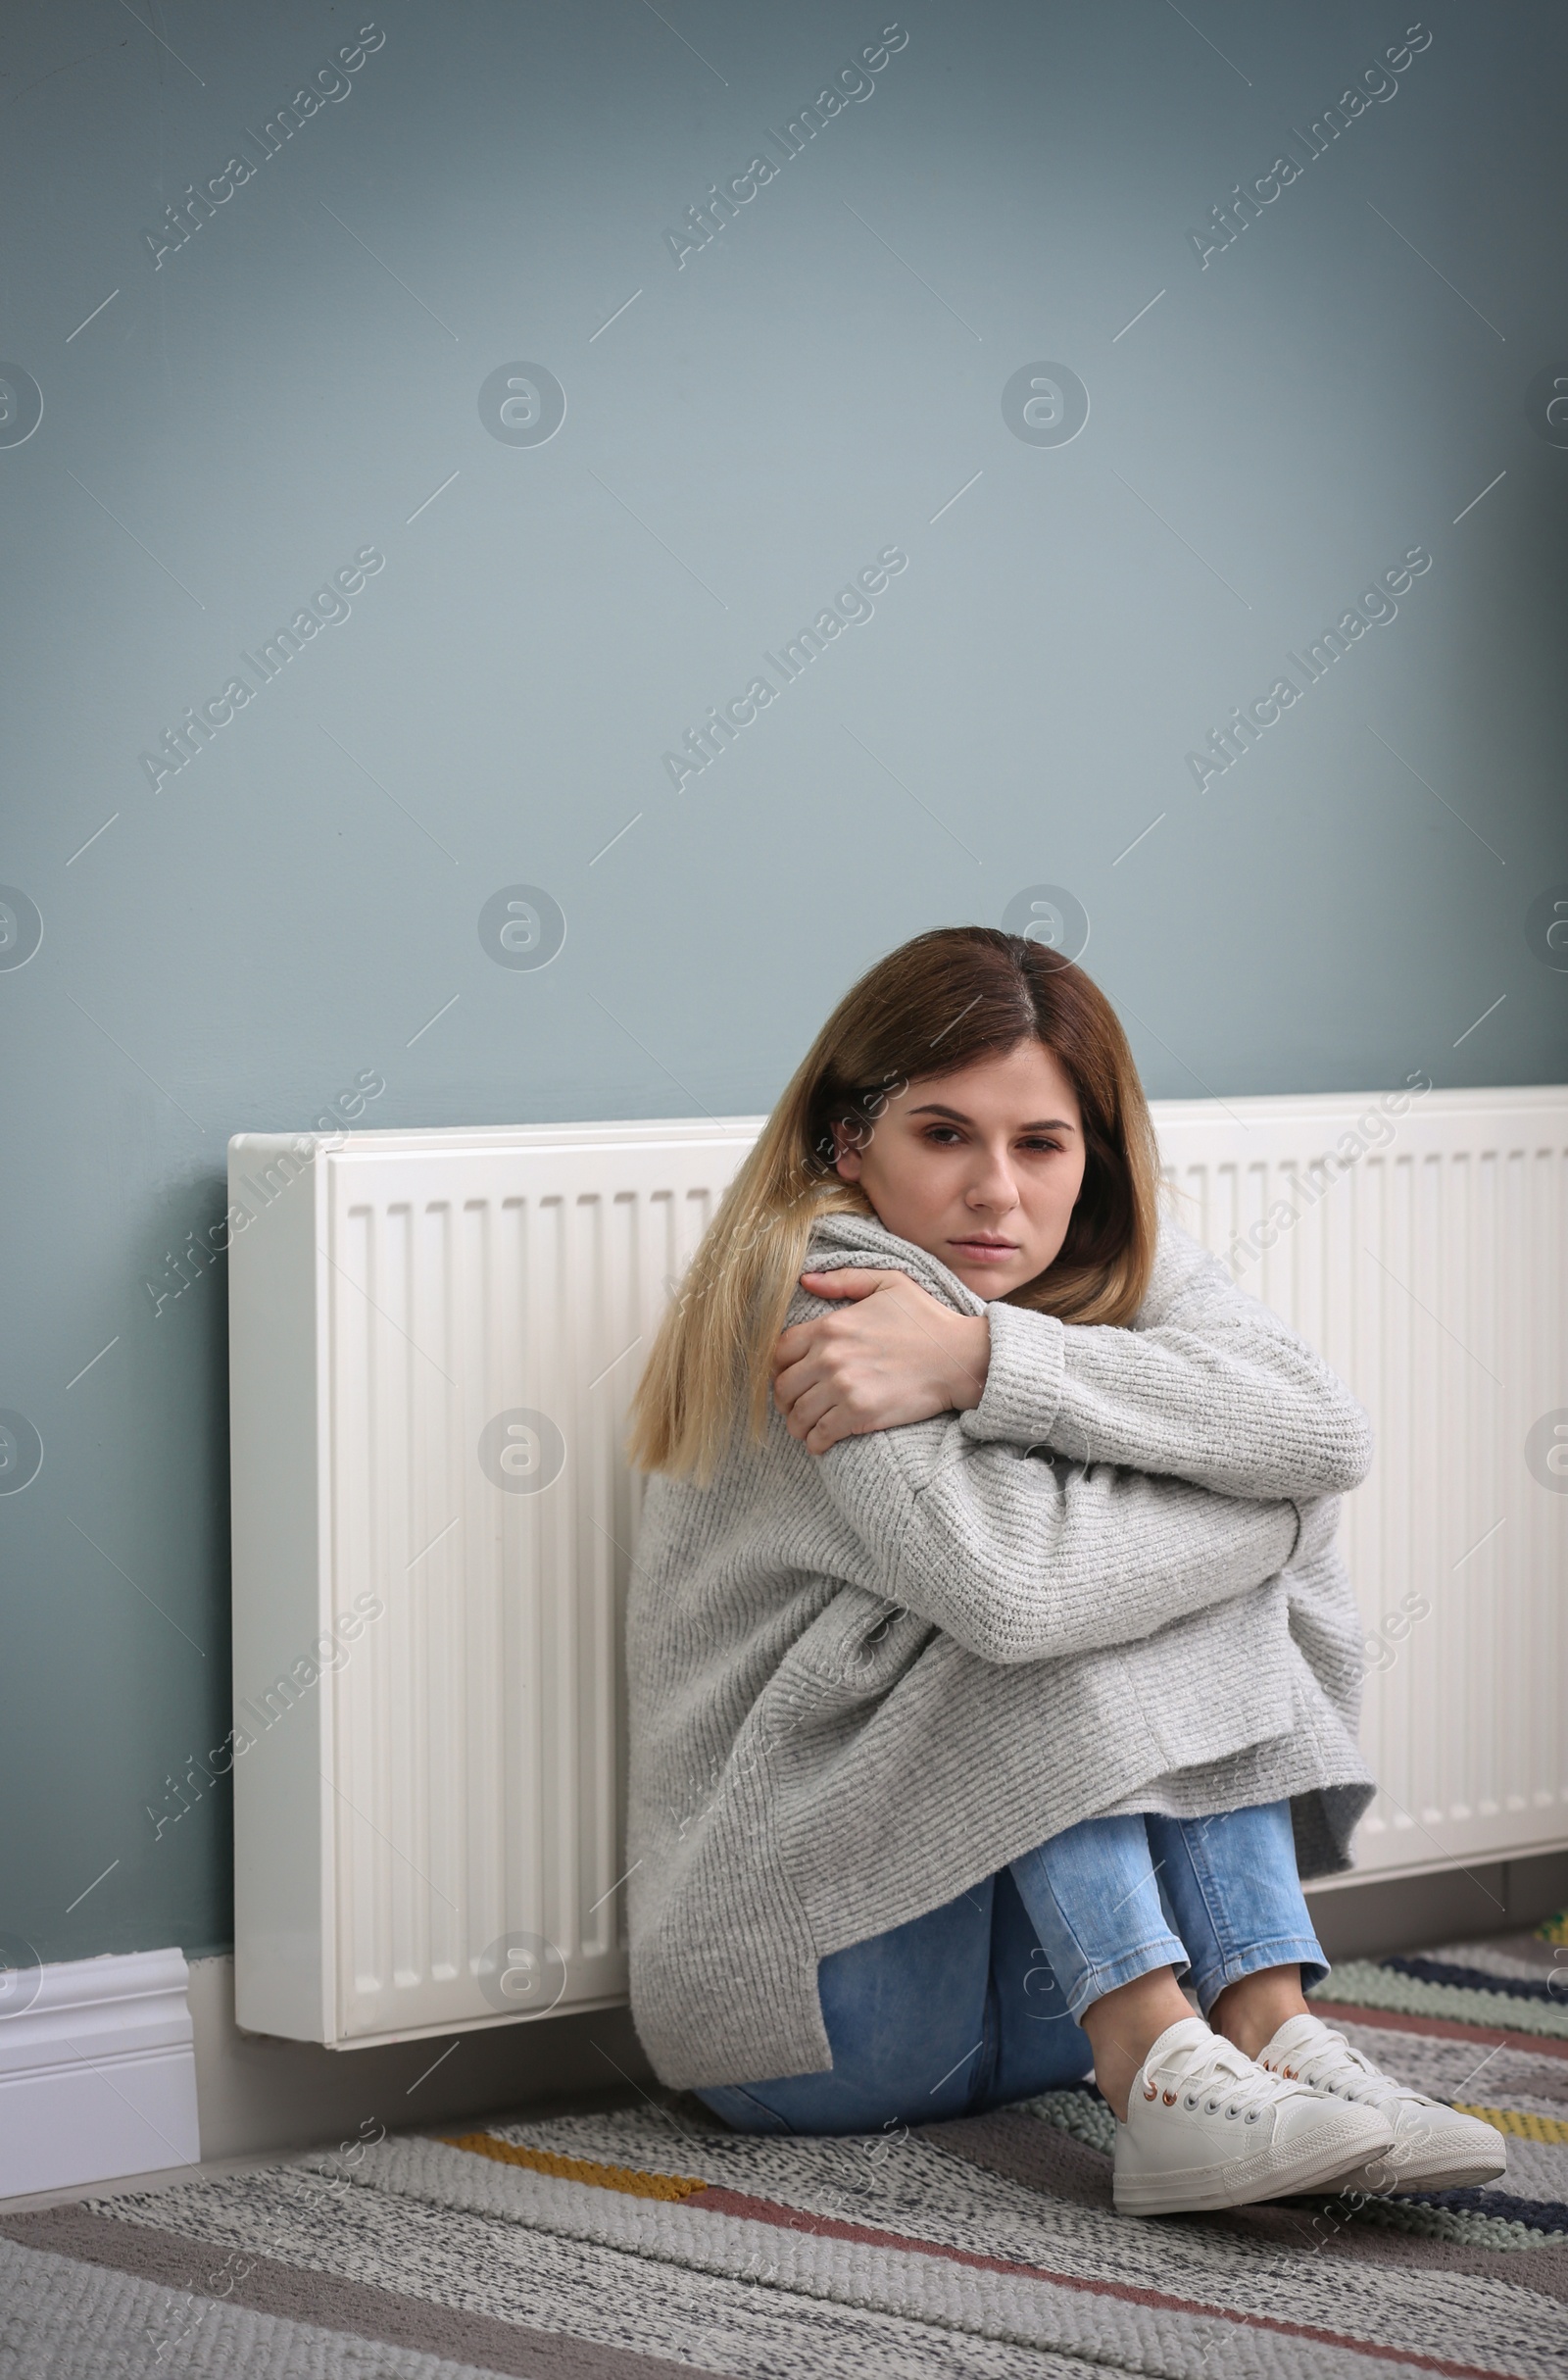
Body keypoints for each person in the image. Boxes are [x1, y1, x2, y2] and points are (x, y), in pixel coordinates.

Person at [624, 927, 1506, 2214]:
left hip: (1036, 1995)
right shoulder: (823, 1289)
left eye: (1041, 1144)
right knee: (1058, 1597)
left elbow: (1327, 1431)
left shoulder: (1105, 1263)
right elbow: (1015, 1592)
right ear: (844, 1142)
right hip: (809, 2014)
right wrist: (1282, 1522)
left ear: (1086, 1154)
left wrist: (988, 1361)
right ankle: (1155, 2064)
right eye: (945, 1135)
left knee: (1129, 1560)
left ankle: (1264, 2027)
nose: (999, 1191)